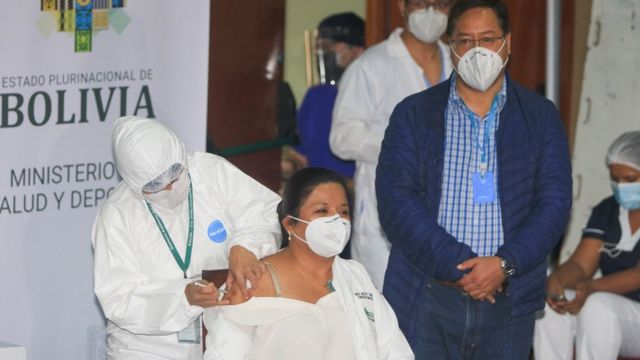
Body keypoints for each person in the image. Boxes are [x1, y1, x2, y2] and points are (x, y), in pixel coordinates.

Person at [375, 0, 573, 358]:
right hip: (427, 294)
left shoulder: (540, 117)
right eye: (465, 41)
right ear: (451, 47)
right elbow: (396, 202)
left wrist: (502, 264)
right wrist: (462, 266)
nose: (476, 50)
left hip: (509, 299)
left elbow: (554, 204)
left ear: (507, 43)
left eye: (487, 38)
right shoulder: (414, 114)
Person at [92, 116, 281, 360]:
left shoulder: (211, 172)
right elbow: (119, 297)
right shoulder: (117, 216)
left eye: (175, 173)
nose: (170, 188)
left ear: (181, 154)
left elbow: (265, 213)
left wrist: (245, 246)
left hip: (227, 333)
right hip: (149, 349)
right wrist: (182, 297)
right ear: (134, 184)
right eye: (155, 185)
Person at [203, 168, 414, 360]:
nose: (336, 220)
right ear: (290, 224)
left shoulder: (355, 277)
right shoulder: (254, 280)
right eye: (322, 211)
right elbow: (224, 353)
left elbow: (392, 347)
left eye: (343, 212)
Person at [329, 0, 454, 290]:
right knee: (387, 314)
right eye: (423, 3)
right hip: (384, 215)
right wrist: (406, 144)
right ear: (403, 6)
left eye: (442, 4)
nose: (432, 12)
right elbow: (342, 138)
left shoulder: (458, 62)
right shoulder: (371, 66)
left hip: (449, 213)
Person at [533, 131, 640, 360]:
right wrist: (557, 281)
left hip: (628, 315)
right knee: (550, 305)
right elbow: (582, 264)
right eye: (615, 179)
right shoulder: (608, 210)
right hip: (617, 312)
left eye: (630, 179)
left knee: (598, 305)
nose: (621, 187)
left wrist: (591, 287)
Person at [295, 12, 365, 182]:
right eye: (320, 49)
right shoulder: (316, 95)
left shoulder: (370, 95)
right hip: (317, 191)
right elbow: (299, 152)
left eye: (328, 48)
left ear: (357, 50)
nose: (323, 55)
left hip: (360, 193)